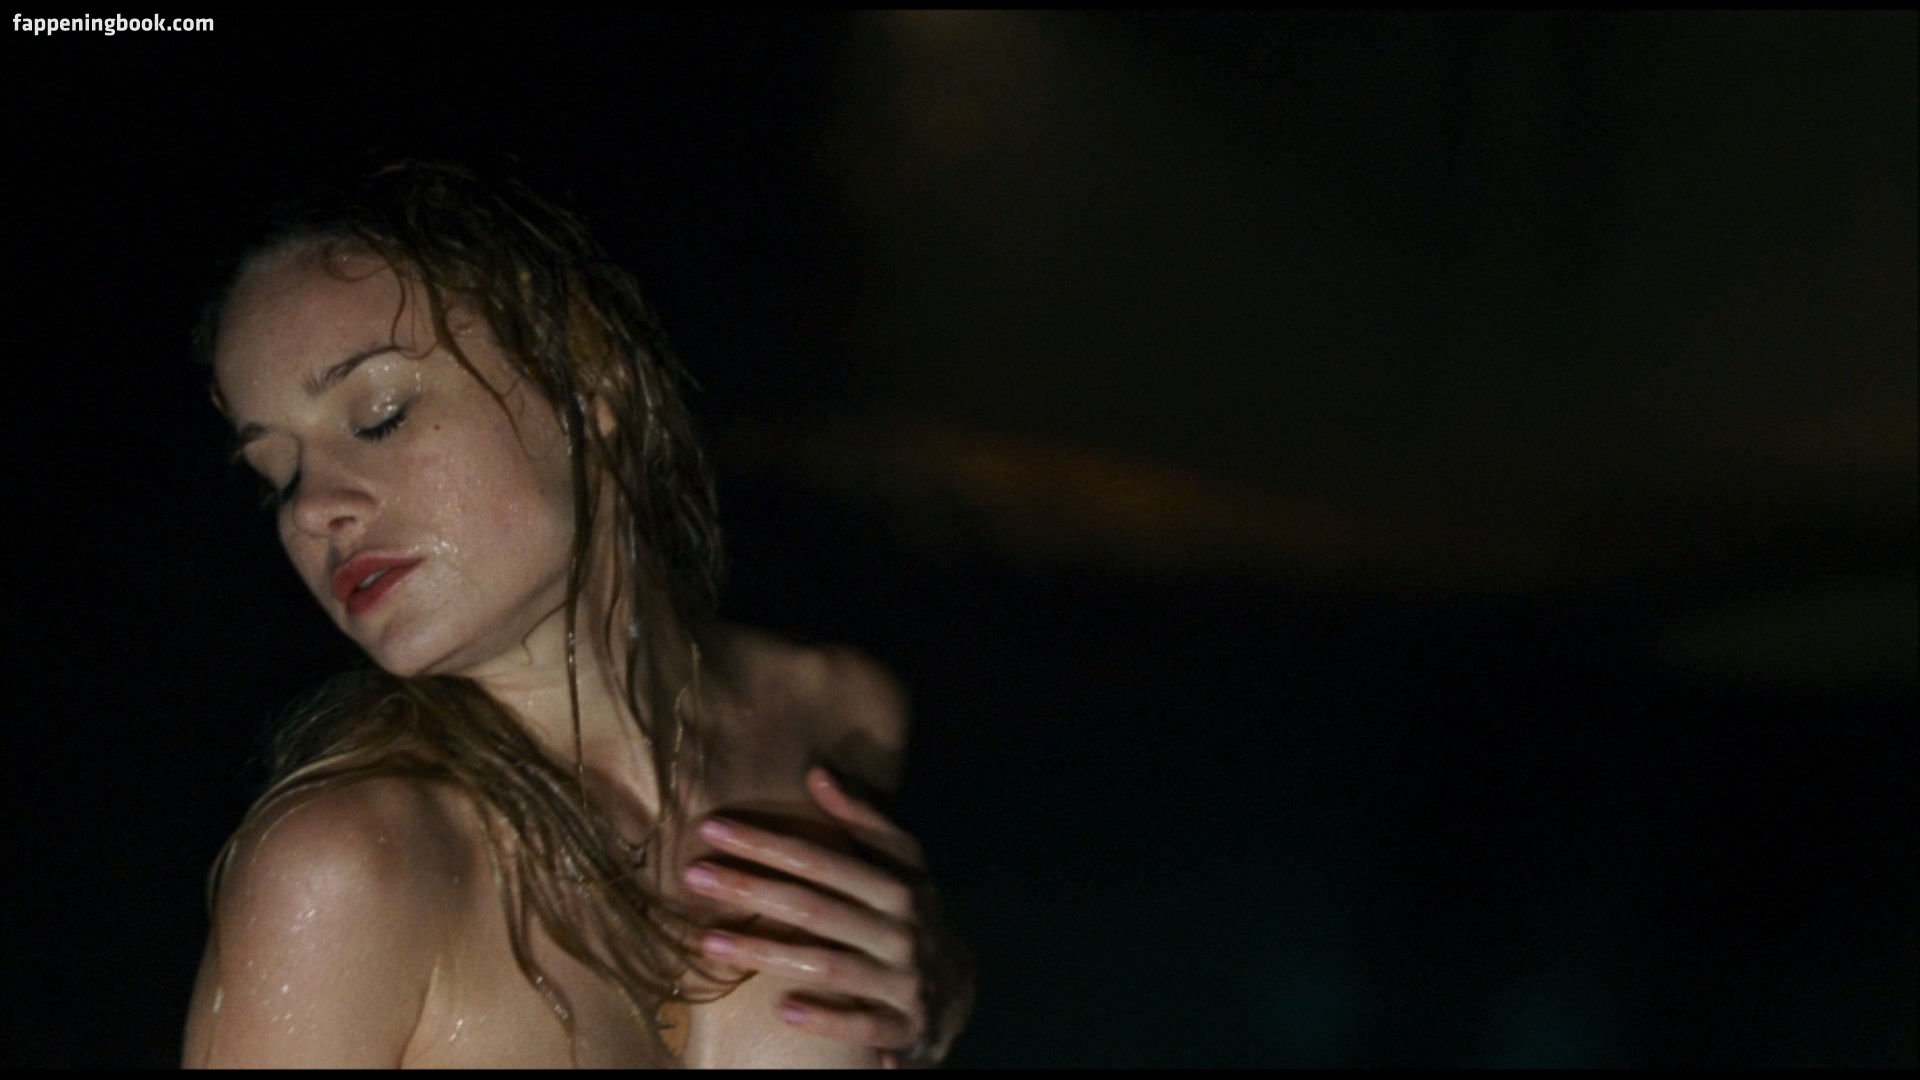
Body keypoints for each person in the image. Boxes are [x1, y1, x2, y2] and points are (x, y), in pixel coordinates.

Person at [180, 161, 972, 1067]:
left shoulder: (840, 717)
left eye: (380, 415)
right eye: (277, 475)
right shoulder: (350, 870)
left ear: (590, 391)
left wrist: (940, 1004)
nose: (314, 508)